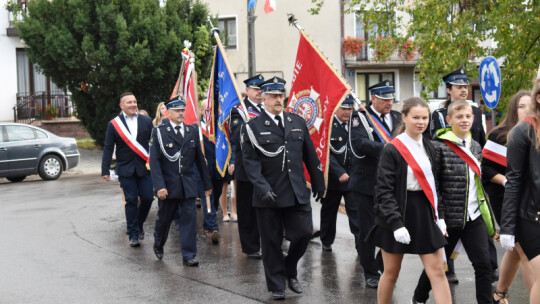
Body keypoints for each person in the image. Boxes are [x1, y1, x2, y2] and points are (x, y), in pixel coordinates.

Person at [241, 76, 325, 300]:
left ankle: (289, 268)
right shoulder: (252, 127)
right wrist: (261, 187)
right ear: (264, 98)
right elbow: (250, 163)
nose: (279, 99)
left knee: (304, 233)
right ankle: (277, 285)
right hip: (268, 194)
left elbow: (310, 154)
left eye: (281, 95)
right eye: (274, 96)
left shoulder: (297, 121)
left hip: (296, 191)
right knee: (271, 242)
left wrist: (318, 181)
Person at [367, 97, 450, 304]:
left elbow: (436, 186)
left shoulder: (430, 147)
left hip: (424, 211)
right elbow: (384, 191)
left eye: (425, 118)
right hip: (398, 211)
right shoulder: (392, 149)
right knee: (391, 272)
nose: (421, 122)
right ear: (404, 117)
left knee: (438, 271)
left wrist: (440, 216)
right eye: (415, 117)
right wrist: (396, 224)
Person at [413, 100, 495, 304]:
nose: (464, 120)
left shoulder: (475, 146)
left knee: (484, 265)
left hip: (473, 216)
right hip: (449, 219)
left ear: (473, 119)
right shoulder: (438, 147)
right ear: (449, 120)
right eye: (459, 117)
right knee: (439, 265)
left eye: (468, 116)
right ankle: (419, 297)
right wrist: (438, 217)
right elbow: (435, 186)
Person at [429, 67, 494, 284]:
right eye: (459, 87)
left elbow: (480, 143)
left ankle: (490, 269)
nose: (464, 90)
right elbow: (433, 146)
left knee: (482, 244)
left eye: (466, 86)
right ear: (449, 90)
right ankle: (441, 276)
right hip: (450, 189)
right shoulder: (438, 114)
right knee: (445, 248)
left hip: (472, 187)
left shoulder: (476, 112)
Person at [349, 80, 402, 288]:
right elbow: (360, 144)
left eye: (391, 98)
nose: (389, 103)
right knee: (368, 229)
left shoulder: (397, 117)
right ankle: (370, 271)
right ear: (373, 98)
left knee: (393, 226)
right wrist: (388, 149)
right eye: (385, 99)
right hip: (366, 183)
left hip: (392, 182)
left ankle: (379, 263)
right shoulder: (359, 117)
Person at [483, 91, 534, 303]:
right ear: (514, 109)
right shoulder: (500, 135)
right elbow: (485, 169)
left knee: (515, 250)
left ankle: (499, 294)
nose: (527, 110)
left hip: (531, 199)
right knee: (528, 254)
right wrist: (506, 181)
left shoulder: (535, 133)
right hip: (506, 198)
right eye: (522, 106)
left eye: (530, 106)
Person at [149, 95, 212, 266]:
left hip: (188, 185)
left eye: (183, 110)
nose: (181, 113)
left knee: (188, 221)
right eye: (177, 110)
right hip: (168, 187)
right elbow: (154, 163)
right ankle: (158, 242)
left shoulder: (191, 131)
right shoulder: (159, 133)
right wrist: (159, 186)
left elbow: (199, 160)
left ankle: (188, 255)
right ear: (168, 112)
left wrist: (207, 185)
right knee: (164, 219)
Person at [500, 78, 540, 304]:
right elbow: (513, 180)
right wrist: (507, 227)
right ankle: (499, 294)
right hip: (530, 217)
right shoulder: (523, 131)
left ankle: (499, 295)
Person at [101, 92, 154, 248]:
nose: (133, 105)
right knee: (130, 201)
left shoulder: (146, 121)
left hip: (145, 167)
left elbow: (153, 143)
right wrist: (105, 169)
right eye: (129, 102)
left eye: (134, 101)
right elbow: (108, 147)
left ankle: (138, 224)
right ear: (121, 106)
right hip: (125, 169)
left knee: (147, 198)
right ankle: (133, 234)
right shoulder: (114, 124)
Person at [229, 74, 265, 259]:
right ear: (247, 90)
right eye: (256, 89)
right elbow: (238, 134)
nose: (259, 92)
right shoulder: (239, 110)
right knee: (247, 209)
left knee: (267, 208)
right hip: (247, 167)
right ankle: (251, 247)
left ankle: (267, 244)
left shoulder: (268, 108)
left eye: (261, 89)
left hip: (267, 167)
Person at [320, 95, 358, 252]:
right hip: (334, 179)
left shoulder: (356, 125)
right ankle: (326, 240)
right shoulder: (327, 126)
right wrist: (339, 171)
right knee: (329, 211)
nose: (348, 112)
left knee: (355, 212)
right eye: (344, 108)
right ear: (336, 108)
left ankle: (360, 244)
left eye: (350, 108)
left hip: (354, 177)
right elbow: (326, 152)